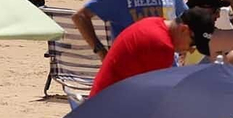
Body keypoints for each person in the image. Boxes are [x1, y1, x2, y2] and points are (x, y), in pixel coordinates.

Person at [88, 6, 219, 96]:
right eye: (193, 44)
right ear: (184, 30)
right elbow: (157, 99)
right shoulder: (162, 46)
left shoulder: (154, 22)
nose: (190, 50)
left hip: (103, 99)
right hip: (109, 114)